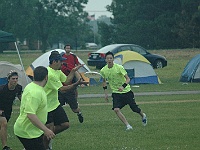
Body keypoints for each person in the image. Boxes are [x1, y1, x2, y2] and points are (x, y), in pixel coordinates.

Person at [43, 50, 87, 149]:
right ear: (54, 62)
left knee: (65, 124)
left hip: (55, 105)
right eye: (60, 61)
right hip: (46, 107)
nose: (62, 63)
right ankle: (45, 146)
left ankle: (43, 134)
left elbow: (66, 81)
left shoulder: (57, 71)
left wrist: (73, 71)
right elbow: (62, 89)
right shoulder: (50, 74)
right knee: (49, 130)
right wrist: (76, 84)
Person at [100, 51, 147, 130]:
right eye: (107, 58)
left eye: (111, 58)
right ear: (105, 60)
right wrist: (105, 93)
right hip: (116, 93)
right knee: (116, 109)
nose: (109, 60)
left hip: (127, 92)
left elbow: (128, 79)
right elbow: (104, 82)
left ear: (113, 59)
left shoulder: (119, 67)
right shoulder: (103, 70)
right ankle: (128, 126)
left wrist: (123, 86)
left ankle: (143, 115)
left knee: (134, 109)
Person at [14, 66, 55, 150]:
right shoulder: (35, 93)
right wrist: (46, 130)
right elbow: (30, 115)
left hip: (32, 131)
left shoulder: (32, 86)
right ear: (46, 77)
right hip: (27, 132)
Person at [59, 44, 84, 123]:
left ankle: (78, 111)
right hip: (61, 88)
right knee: (56, 106)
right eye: (67, 48)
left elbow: (75, 69)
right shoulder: (57, 70)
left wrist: (80, 80)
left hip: (70, 81)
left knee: (74, 109)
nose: (68, 49)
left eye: (69, 48)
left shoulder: (73, 57)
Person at [0, 71, 22, 150]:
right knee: (4, 124)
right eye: (13, 79)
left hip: (8, 110)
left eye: (16, 79)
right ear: (8, 79)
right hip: (0, 109)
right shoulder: (2, 89)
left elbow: (21, 98)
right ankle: (5, 147)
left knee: (2, 127)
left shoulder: (18, 88)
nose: (15, 80)